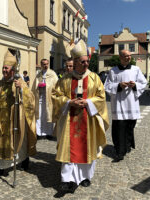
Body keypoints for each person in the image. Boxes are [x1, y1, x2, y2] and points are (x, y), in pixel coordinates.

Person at [52, 40, 109, 194]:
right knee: (68, 149)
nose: (86, 64)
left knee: (87, 148)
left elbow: (101, 97)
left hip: (88, 120)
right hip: (69, 119)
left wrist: (88, 102)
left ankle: (85, 176)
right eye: (83, 62)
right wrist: (69, 102)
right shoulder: (65, 79)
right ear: (75, 62)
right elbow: (56, 96)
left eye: (87, 62)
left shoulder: (94, 78)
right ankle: (67, 180)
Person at [0, 50, 37, 181]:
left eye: (6, 68)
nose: (4, 71)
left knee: (18, 144)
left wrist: (21, 90)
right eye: (3, 68)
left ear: (13, 70)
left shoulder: (19, 82)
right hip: (1, 120)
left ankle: (24, 159)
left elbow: (31, 99)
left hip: (15, 120)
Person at [104, 50, 147, 162]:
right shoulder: (113, 71)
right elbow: (107, 86)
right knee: (119, 128)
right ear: (120, 57)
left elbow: (144, 83)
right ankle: (119, 152)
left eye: (129, 56)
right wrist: (118, 85)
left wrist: (135, 85)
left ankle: (127, 146)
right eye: (126, 56)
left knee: (129, 126)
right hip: (118, 104)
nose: (128, 57)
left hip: (131, 103)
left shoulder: (136, 69)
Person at [32, 59, 58, 140]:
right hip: (40, 97)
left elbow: (57, 85)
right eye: (43, 64)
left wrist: (46, 85)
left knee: (48, 115)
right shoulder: (38, 75)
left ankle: (49, 133)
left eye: (47, 64)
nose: (45, 65)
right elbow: (34, 87)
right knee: (39, 115)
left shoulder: (52, 74)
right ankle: (39, 133)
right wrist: (38, 86)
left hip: (49, 99)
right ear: (41, 65)